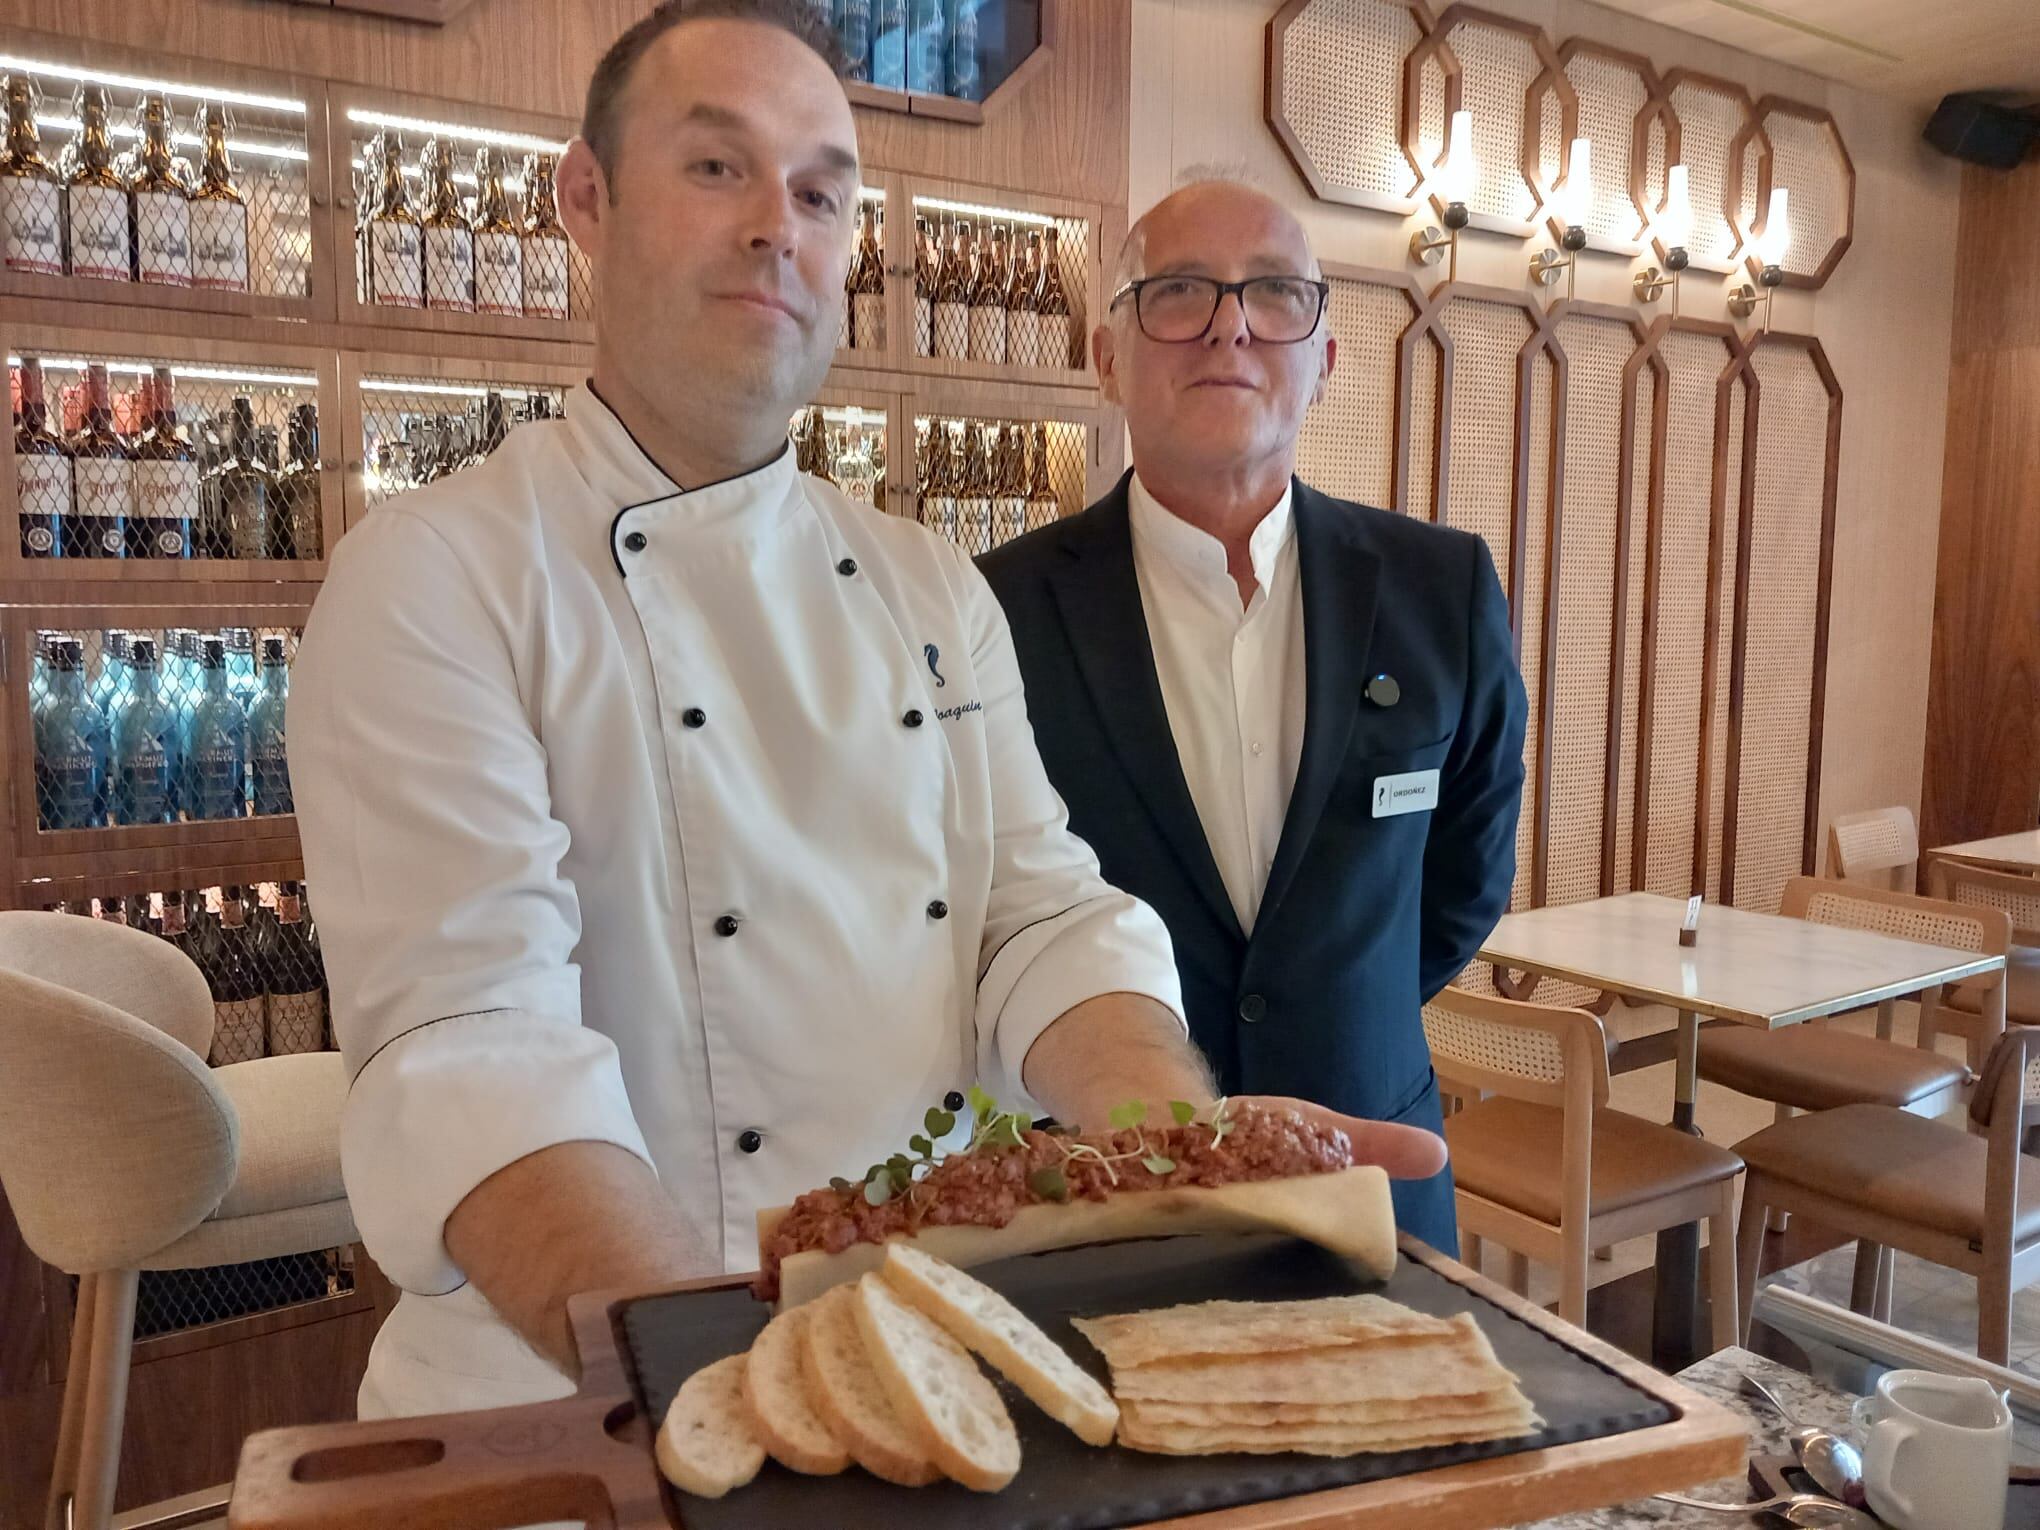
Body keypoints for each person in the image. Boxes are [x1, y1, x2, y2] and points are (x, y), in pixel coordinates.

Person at [290, 8, 1446, 1421]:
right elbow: (478, 1055)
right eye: (719, 169)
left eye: (823, 191)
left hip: (903, 1358)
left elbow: (1037, 915)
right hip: (566, 1403)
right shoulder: (436, 577)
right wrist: (729, 1385)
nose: (781, 228)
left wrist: (1170, 1135)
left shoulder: (927, 588)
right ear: (584, 201)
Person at [978, 177, 1526, 1253]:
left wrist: (1336, 1004)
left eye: (1274, 294)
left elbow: (1467, 882)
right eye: (1179, 290)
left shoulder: (1439, 590)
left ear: (1322, 358)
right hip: (1102, 1187)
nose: (1230, 325)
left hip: (1372, 1171)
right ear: (1107, 356)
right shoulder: (994, 608)